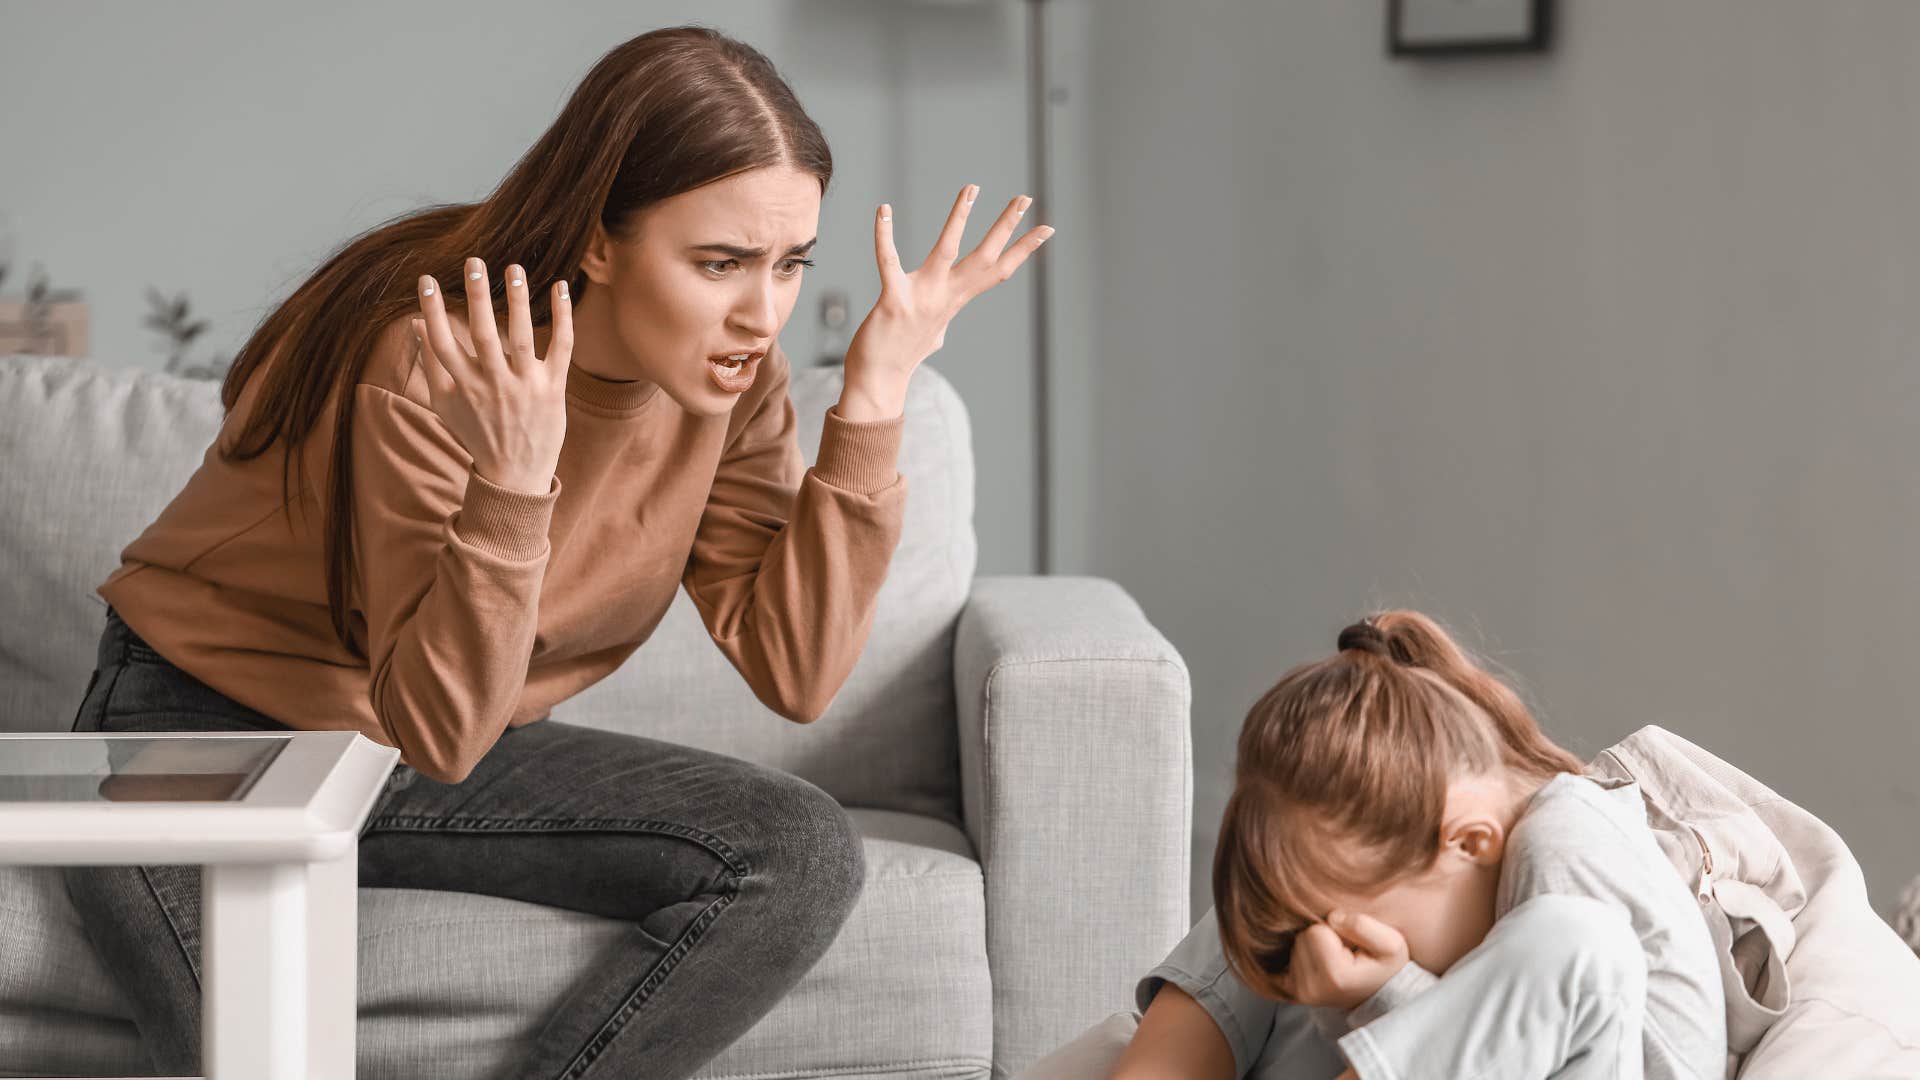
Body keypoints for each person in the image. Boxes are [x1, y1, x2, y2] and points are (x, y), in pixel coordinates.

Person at [64, 25, 1052, 1079]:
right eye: (720, 264)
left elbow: (796, 670)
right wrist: (515, 484)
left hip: (427, 734)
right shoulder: (427, 356)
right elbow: (439, 728)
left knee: (796, 850)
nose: (761, 315)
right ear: (597, 242)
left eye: (790, 265)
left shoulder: (735, 381)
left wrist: (875, 395)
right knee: (261, 1050)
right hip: (208, 728)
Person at [1113, 611, 1726, 1080]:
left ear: (1470, 842)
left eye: (1347, 931)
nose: (1329, 949)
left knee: (1574, 943)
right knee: (1280, 872)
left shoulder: (1564, 852)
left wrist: (1384, 995)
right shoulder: (1459, 834)